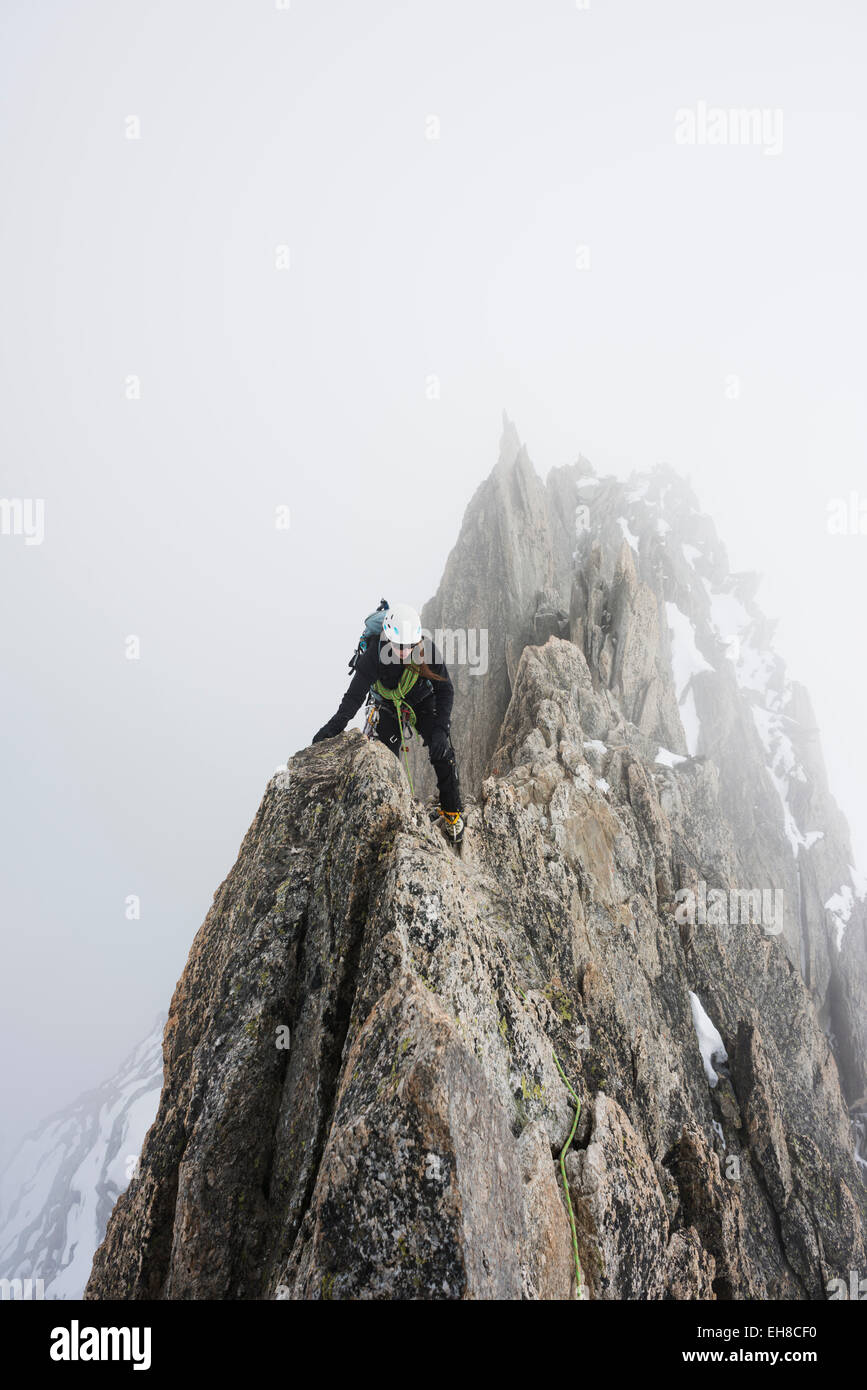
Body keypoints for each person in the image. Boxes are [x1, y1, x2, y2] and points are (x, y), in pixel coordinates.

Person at [311, 602, 465, 843]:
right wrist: (332, 729)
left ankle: (452, 813)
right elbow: (353, 698)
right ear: (387, 637)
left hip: (422, 700)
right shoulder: (374, 655)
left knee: (443, 752)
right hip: (387, 706)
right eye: (398, 646)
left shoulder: (426, 650)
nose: (404, 651)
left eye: (409, 646)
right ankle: (389, 820)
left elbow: (445, 689)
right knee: (385, 762)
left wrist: (441, 729)